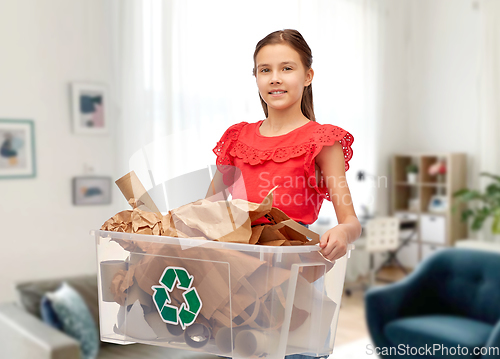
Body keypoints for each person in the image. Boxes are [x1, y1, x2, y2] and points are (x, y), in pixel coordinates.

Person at [207, 29, 362, 359]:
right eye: (265, 70)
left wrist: (341, 232)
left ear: (308, 76)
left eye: (287, 68)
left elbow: (351, 222)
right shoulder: (237, 137)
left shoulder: (322, 140)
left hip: (295, 283)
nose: (275, 79)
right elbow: (206, 212)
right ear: (256, 78)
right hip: (235, 283)